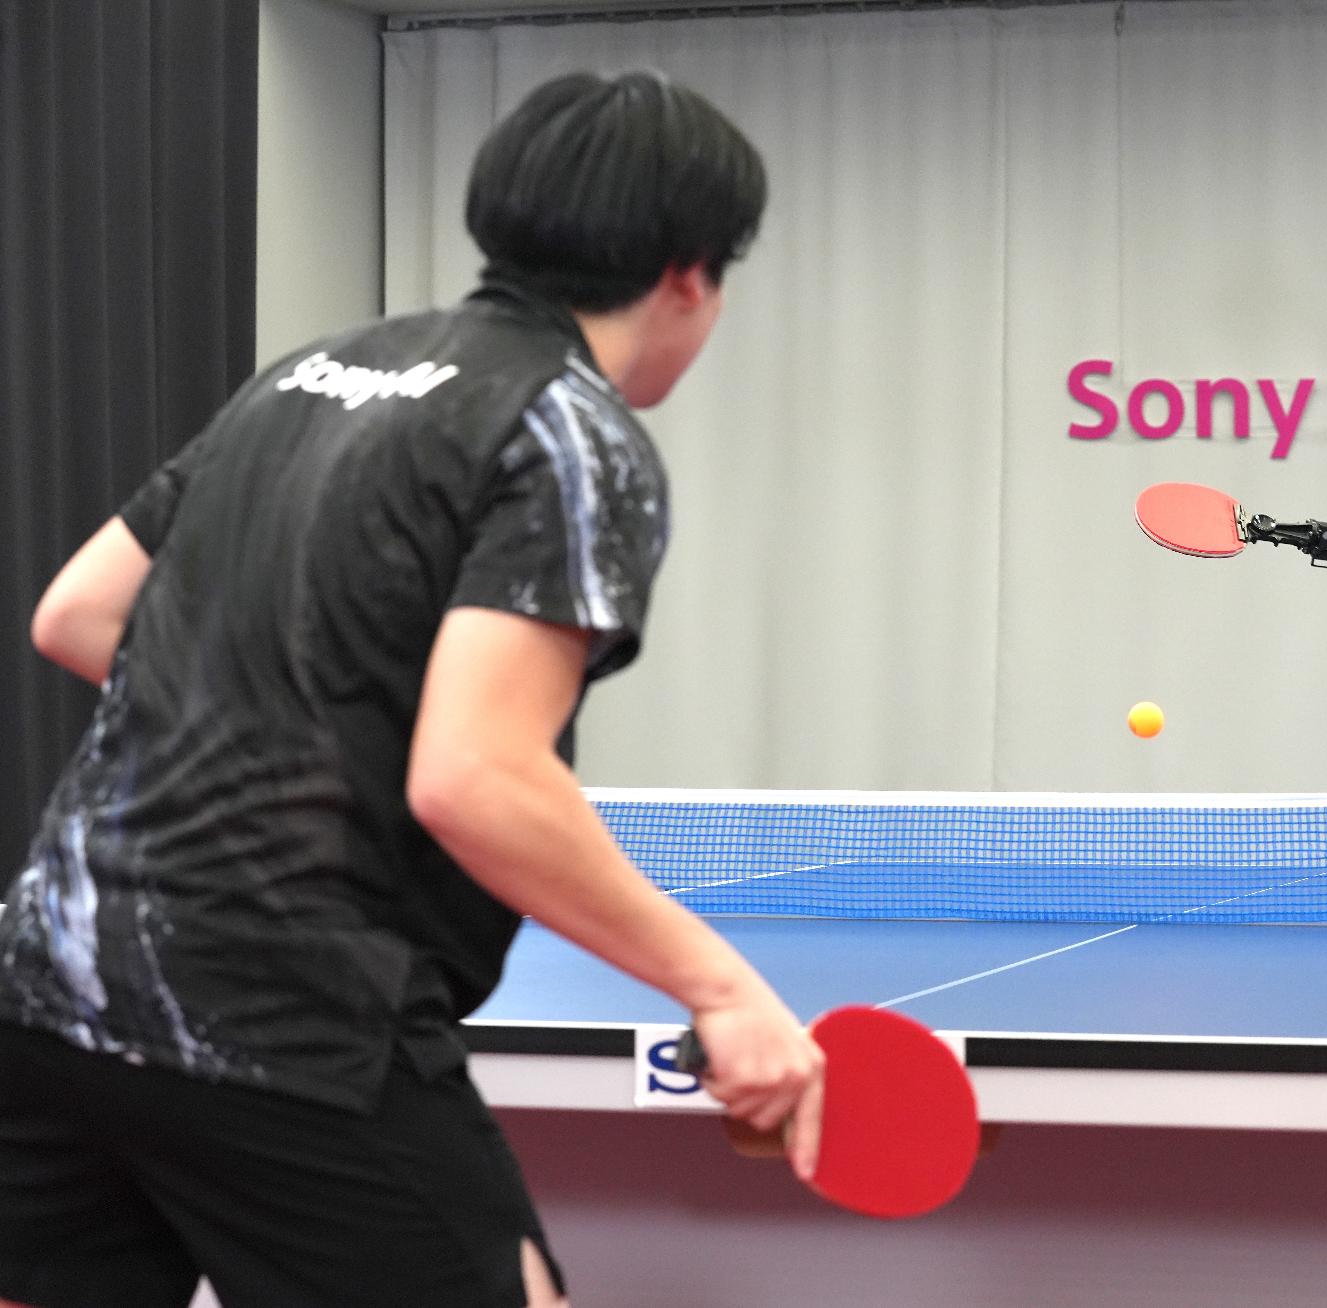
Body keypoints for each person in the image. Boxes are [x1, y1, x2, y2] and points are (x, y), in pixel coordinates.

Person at [0, 70, 821, 1308]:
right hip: (285, 1022)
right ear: (692, 272)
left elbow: (77, 615)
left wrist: (274, 714)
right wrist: (722, 986)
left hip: (50, 987)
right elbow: (476, 779)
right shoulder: (568, 432)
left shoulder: (310, 374)